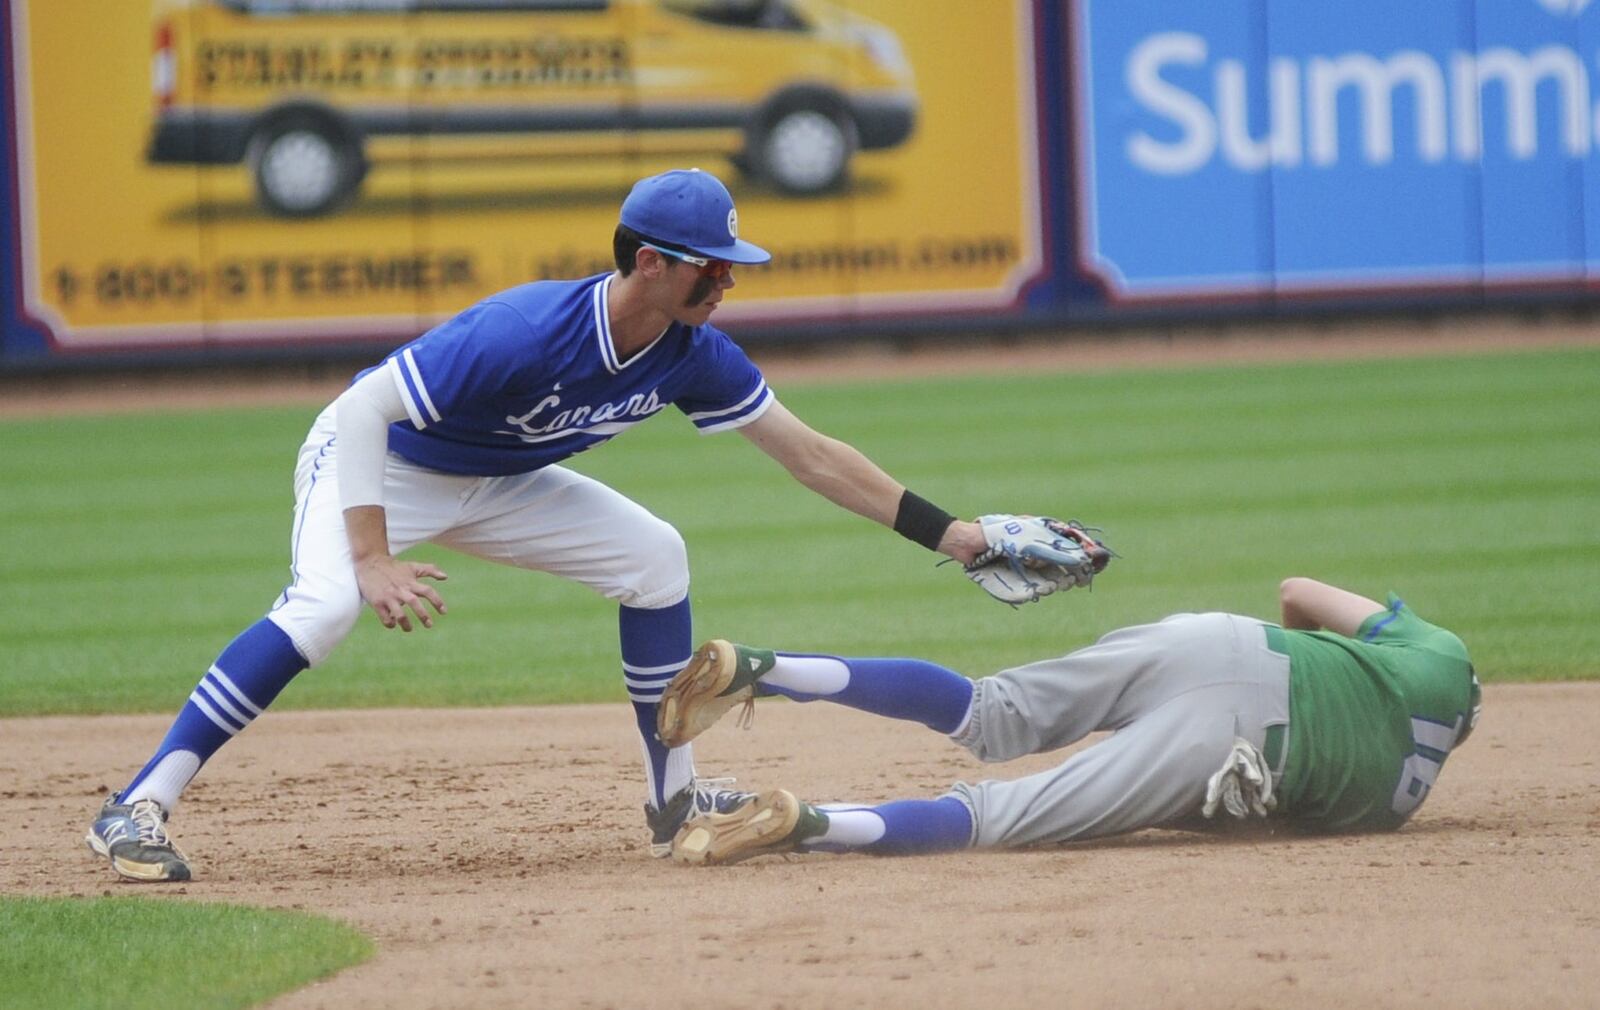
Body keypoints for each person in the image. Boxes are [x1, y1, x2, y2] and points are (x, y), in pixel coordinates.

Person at [84, 168, 1001, 883]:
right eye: (709, 264)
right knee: (324, 611)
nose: (727, 279)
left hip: (497, 477)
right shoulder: (524, 330)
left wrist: (954, 535)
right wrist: (369, 554)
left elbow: (811, 455)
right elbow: (366, 412)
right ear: (650, 262)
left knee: (655, 560)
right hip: (381, 465)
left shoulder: (694, 355)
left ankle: (672, 804)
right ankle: (136, 805)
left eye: (731, 263)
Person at [654, 577, 1483, 865]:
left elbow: (1298, 592)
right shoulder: (1386, 806)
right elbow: (1232, 820)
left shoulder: (1441, 656)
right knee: (999, 817)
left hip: (1218, 643)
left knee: (988, 709)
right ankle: (810, 825)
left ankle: (768, 670)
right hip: (1235, 748)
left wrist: (1328, 668)